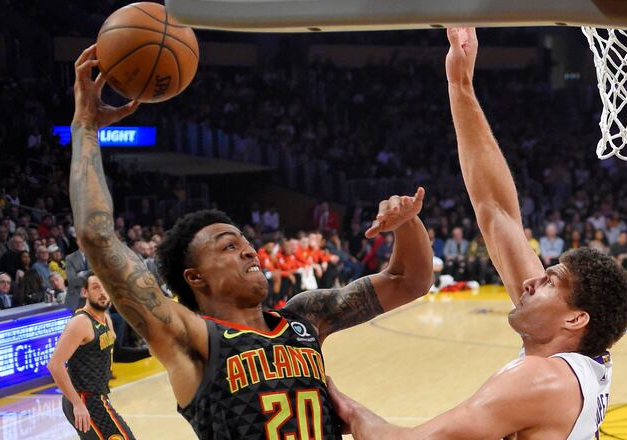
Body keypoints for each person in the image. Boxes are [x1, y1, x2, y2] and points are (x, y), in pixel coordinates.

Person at [68, 45, 433, 439]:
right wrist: (85, 127)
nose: (248, 249)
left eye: (244, 241)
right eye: (228, 246)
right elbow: (96, 236)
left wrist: (407, 223)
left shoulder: (304, 317)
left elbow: (409, 281)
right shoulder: (192, 339)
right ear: (195, 277)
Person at [329, 28, 627, 440]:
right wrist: (460, 84)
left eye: (550, 282)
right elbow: (496, 210)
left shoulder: (540, 381)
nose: (530, 281)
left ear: (575, 318)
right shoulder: (583, 357)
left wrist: (350, 412)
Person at [47, 272, 135, 439]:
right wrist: (77, 404)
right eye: (96, 288)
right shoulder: (81, 322)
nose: (102, 292)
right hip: (85, 400)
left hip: (97, 399)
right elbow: (55, 365)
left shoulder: (105, 318)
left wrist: (150, 352)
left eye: (105, 288)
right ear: (84, 292)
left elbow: (118, 353)